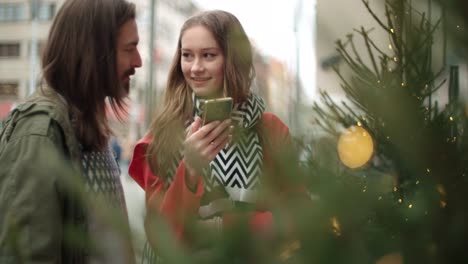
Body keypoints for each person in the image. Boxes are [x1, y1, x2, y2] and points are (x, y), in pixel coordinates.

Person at [129, 10, 304, 263]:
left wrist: (229, 227)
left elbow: (298, 213)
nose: (195, 67)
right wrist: (189, 170)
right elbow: (160, 236)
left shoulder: (270, 130)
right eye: (187, 55)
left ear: (233, 60)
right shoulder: (162, 135)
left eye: (208, 55)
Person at [0, 0, 142, 263]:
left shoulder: (86, 123)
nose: (138, 61)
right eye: (129, 49)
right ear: (93, 52)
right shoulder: (40, 130)